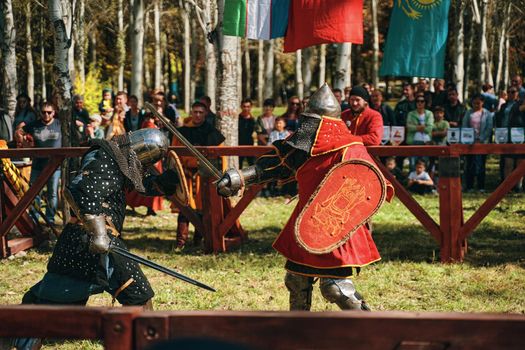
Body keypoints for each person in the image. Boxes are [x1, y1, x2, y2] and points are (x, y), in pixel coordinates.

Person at [217, 84, 394, 311]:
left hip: (333, 227)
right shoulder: (306, 144)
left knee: (335, 287)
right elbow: (278, 164)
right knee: (296, 280)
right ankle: (298, 333)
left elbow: (370, 183)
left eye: (311, 121)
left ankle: (371, 332)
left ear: (323, 122)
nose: (305, 127)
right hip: (306, 222)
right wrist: (240, 177)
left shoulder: (351, 148)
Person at [13, 129, 182, 350]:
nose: (144, 165)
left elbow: (142, 184)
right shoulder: (103, 156)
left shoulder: (122, 161)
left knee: (135, 294)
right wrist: (100, 234)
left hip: (97, 243)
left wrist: (166, 182)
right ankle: (19, 338)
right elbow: (77, 191)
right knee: (56, 303)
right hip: (87, 241)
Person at [173, 101, 225, 249]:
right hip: (186, 176)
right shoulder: (182, 132)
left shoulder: (211, 132)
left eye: (200, 112)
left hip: (204, 176)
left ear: (205, 114)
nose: (197, 115)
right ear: (191, 113)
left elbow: (220, 156)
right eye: (195, 112)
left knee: (202, 209)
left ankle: (198, 241)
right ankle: (180, 243)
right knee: (185, 208)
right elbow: (174, 154)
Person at [14, 102, 62, 226]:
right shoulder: (34, 124)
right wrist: (23, 142)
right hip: (37, 165)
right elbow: (19, 131)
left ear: (54, 113)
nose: (46, 114)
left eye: (49, 112)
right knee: (34, 192)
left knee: (52, 193)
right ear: (40, 113)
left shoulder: (59, 124)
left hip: (54, 166)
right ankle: (34, 218)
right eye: (43, 112)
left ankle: (50, 219)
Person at [126, 114, 165, 216]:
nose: (149, 120)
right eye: (147, 118)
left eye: (150, 118)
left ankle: (150, 208)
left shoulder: (151, 126)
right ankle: (146, 207)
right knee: (148, 183)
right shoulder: (148, 125)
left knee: (151, 183)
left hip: (154, 158)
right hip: (148, 158)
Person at [462, 94, 493, 192]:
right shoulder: (468, 113)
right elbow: (464, 126)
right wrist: (469, 139)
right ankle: (470, 186)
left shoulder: (487, 114)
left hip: (482, 143)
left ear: (482, 103)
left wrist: (481, 139)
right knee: (470, 164)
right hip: (470, 142)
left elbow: (489, 128)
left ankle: (481, 186)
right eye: (474, 102)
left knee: (481, 164)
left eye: (478, 102)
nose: (476, 104)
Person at [406, 95, 434, 171]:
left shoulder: (429, 114)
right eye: (418, 101)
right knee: (412, 164)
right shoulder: (411, 114)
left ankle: (424, 182)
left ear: (425, 103)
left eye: (422, 101)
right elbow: (409, 127)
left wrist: (416, 127)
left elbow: (429, 128)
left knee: (425, 164)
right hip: (413, 141)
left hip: (426, 141)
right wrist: (423, 126)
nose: (420, 103)